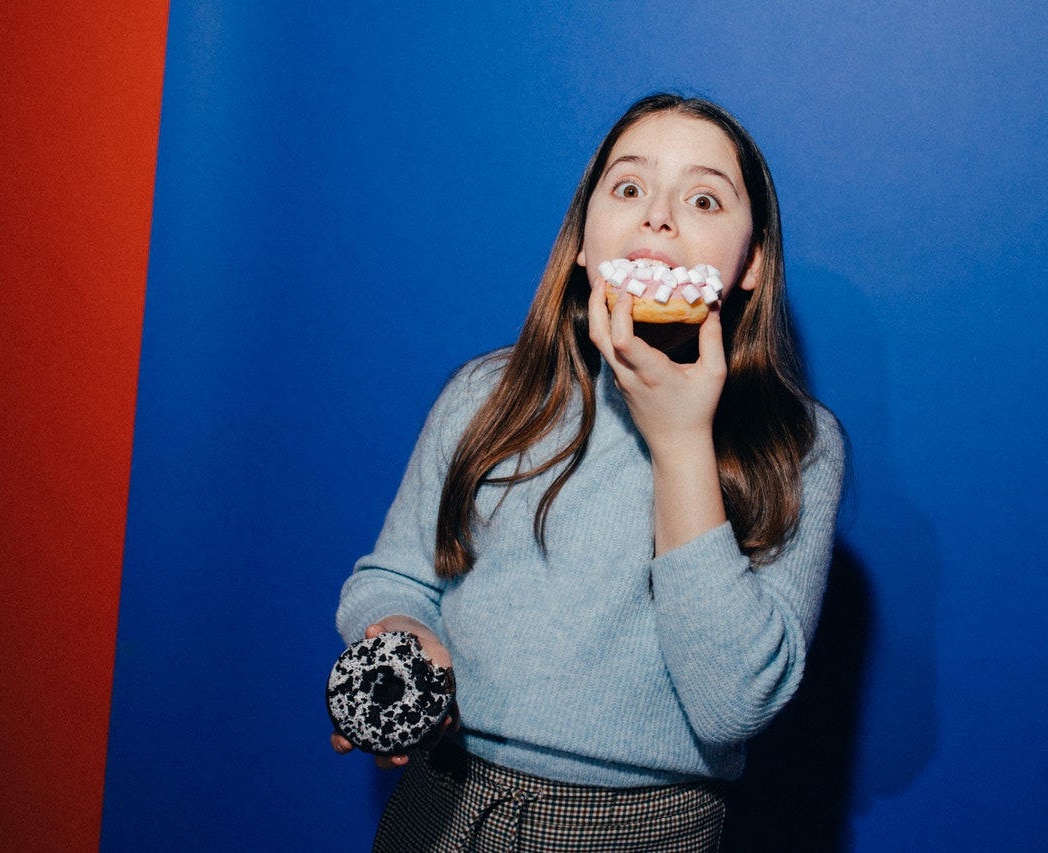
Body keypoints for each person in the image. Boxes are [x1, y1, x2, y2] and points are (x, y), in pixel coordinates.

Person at [332, 92, 846, 852]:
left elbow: (734, 701)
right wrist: (409, 639)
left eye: (703, 198)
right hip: (440, 804)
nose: (658, 216)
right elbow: (394, 579)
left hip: (641, 829)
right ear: (582, 241)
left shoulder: (797, 442)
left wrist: (680, 443)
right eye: (629, 187)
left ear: (752, 265)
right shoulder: (487, 395)